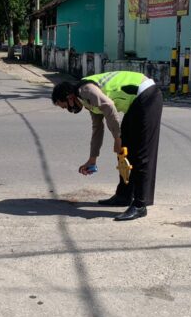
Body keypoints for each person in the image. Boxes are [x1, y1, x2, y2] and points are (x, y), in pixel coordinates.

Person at [52, 71, 163, 221]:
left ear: (69, 98)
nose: (69, 110)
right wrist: (92, 159)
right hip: (136, 103)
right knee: (125, 150)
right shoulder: (87, 102)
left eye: (65, 106)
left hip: (147, 95)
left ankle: (139, 205)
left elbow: (109, 106)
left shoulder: (84, 90)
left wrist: (117, 138)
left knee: (139, 152)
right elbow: (97, 129)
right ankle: (124, 195)